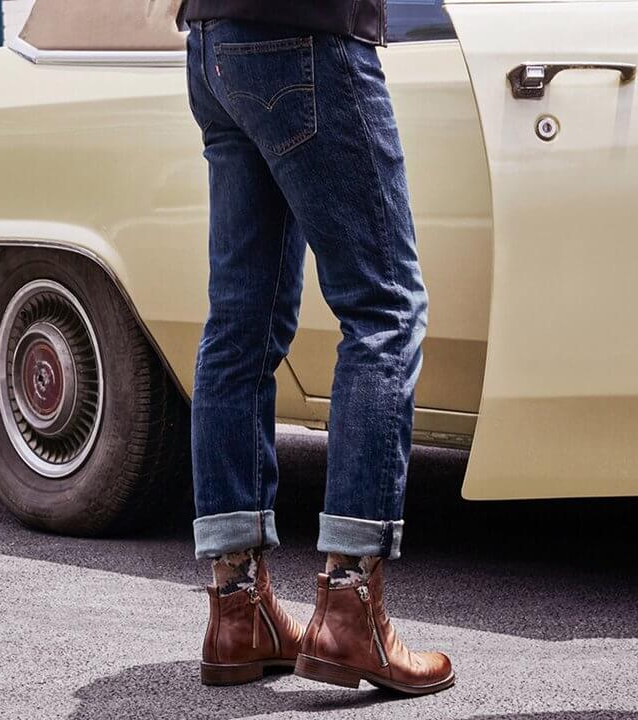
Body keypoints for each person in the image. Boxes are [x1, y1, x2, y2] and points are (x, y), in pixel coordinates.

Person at [181, 0, 455, 695]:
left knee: (241, 323)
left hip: (213, 38)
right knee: (383, 308)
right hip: (306, 32)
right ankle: (350, 611)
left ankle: (238, 611)